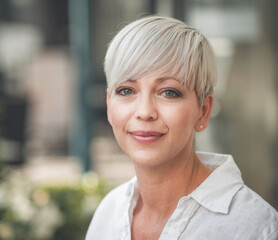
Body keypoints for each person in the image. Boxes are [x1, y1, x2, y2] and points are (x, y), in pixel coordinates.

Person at [85, 16, 278, 240]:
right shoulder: (109, 212)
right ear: (110, 106)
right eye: (127, 91)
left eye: (169, 92)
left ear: (203, 111)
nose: (145, 111)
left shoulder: (256, 227)